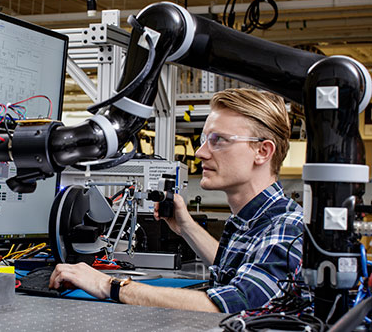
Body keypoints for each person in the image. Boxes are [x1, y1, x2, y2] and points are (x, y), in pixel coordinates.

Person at [49, 88, 304, 313]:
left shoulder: (289, 226)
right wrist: (186, 227)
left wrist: (108, 285)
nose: (200, 152)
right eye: (205, 140)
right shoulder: (250, 220)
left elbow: (236, 303)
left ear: (262, 151)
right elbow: (234, 271)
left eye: (218, 141)